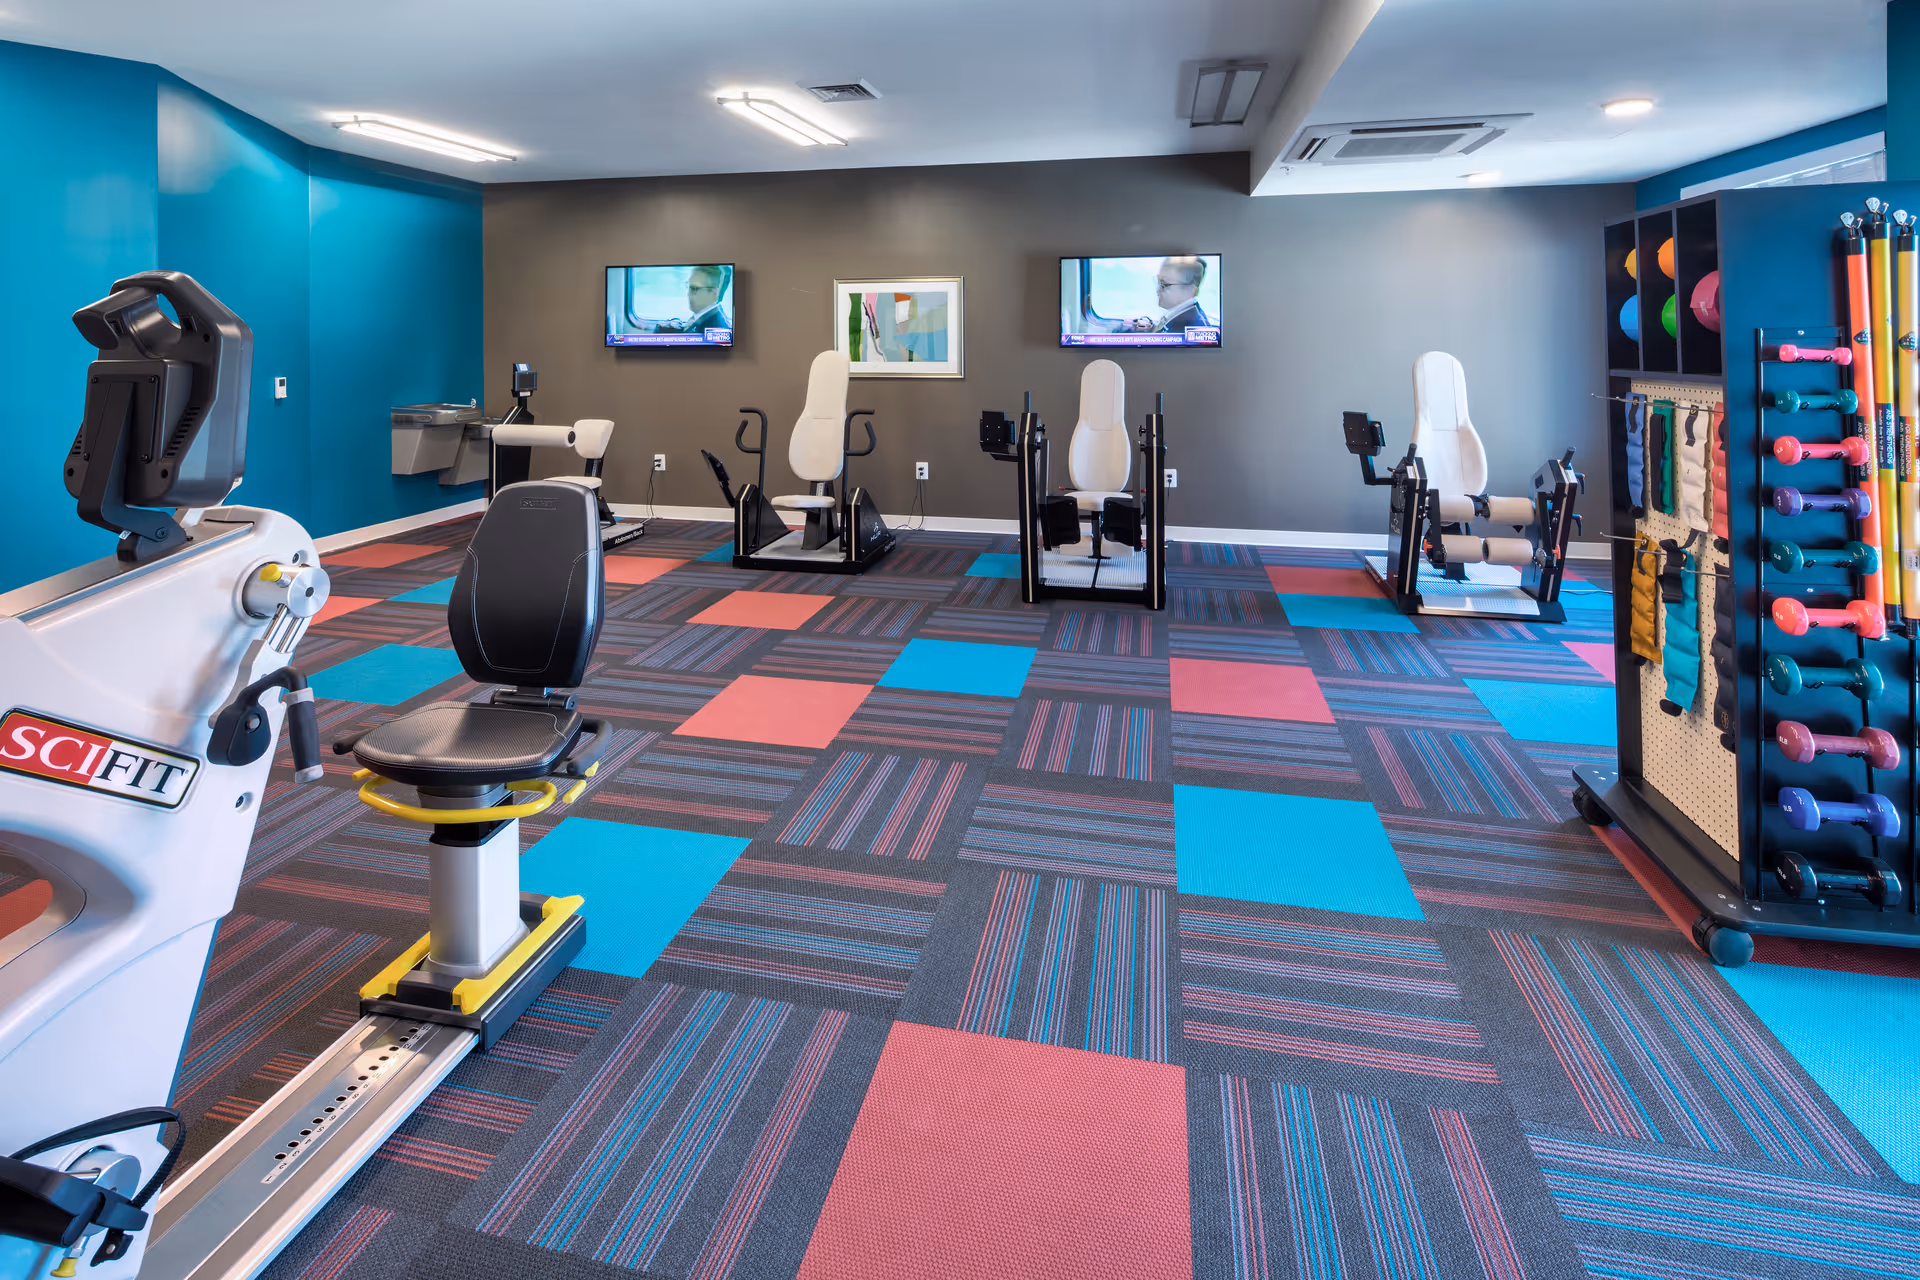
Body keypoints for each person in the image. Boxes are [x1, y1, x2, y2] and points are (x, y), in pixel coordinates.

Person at [639, 264, 731, 334]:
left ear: (713, 292)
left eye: (695, 289)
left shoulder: (717, 329)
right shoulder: (701, 317)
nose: (688, 294)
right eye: (689, 287)